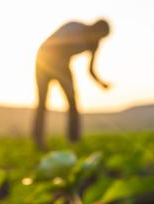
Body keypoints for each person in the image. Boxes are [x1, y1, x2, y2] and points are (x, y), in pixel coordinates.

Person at [33, 19, 111, 148]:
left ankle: (74, 140)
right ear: (94, 27)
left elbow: (90, 69)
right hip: (44, 60)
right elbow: (55, 48)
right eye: (99, 34)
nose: (98, 38)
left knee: (73, 101)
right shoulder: (75, 28)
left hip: (63, 64)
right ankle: (39, 140)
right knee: (42, 101)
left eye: (102, 37)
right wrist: (62, 75)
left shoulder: (94, 44)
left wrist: (101, 83)